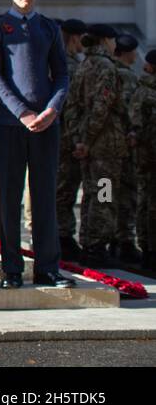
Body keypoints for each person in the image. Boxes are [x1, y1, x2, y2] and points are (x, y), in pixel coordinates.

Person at [0, 0, 73, 288]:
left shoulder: (48, 28)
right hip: (11, 123)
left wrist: (52, 109)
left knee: (44, 197)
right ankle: (12, 269)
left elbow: (61, 74)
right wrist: (22, 112)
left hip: (46, 124)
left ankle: (47, 267)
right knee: (10, 196)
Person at [69, 24, 129, 267]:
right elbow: (101, 107)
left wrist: (78, 138)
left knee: (92, 194)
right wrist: (88, 139)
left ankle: (89, 242)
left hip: (89, 144)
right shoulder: (106, 67)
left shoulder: (83, 65)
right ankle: (97, 245)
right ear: (106, 41)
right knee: (104, 193)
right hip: (104, 146)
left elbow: (72, 106)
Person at [54, 17, 88, 261]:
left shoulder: (62, 63)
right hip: (67, 139)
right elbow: (74, 107)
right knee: (65, 191)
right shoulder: (69, 65)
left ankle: (62, 236)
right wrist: (78, 139)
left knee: (65, 190)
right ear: (74, 38)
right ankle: (62, 238)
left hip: (62, 137)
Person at [113, 34, 143, 265]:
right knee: (124, 193)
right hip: (120, 147)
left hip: (109, 148)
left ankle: (110, 237)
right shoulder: (127, 77)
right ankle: (121, 239)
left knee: (106, 192)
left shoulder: (107, 70)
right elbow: (129, 110)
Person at [130, 49, 156, 270]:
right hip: (144, 158)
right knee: (104, 193)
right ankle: (97, 245)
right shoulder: (145, 92)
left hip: (139, 156)